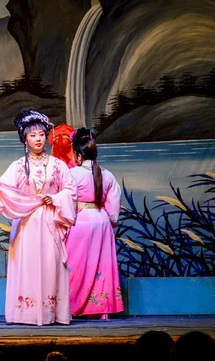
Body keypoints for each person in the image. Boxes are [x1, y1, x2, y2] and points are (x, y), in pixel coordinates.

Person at [0, 108, 77, 326]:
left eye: (41, 134)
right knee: (28, 266)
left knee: (50, 265)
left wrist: (56, 198)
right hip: (26, 223)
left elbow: (70, 190)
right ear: (25, 139)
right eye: (33, 135)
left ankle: (51, 312)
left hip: (49, 221)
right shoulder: (19, 166)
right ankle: (27, 313)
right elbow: (4, 189)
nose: (38, 139)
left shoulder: (57, 165)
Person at [65, 128, 124, 319]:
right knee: (101, 266)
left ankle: (73, 306)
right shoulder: (108, 175)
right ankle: (100, 310)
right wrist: (109, 221)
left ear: (78, 154)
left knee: (74, 265)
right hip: (102, 220)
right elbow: (114, 209)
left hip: (80, 221)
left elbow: (65, 202)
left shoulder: (73, 174)